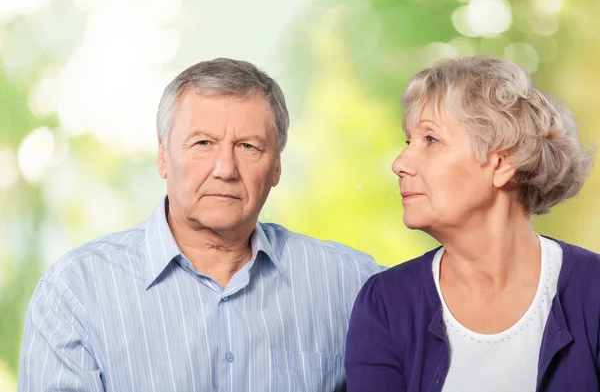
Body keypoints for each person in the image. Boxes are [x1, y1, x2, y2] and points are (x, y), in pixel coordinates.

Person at [19, 58, 380, 391]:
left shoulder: (353, 285)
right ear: (163, 156)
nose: (225, 169)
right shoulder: (75, 292)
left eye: (248, 146)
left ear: (276, 167)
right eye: (203, 143)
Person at [345, 55, 598, 392]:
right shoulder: (385, 303)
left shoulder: (593, 290)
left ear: (501, 161)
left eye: (430, 140)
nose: (400, 163)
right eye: (409, 142)